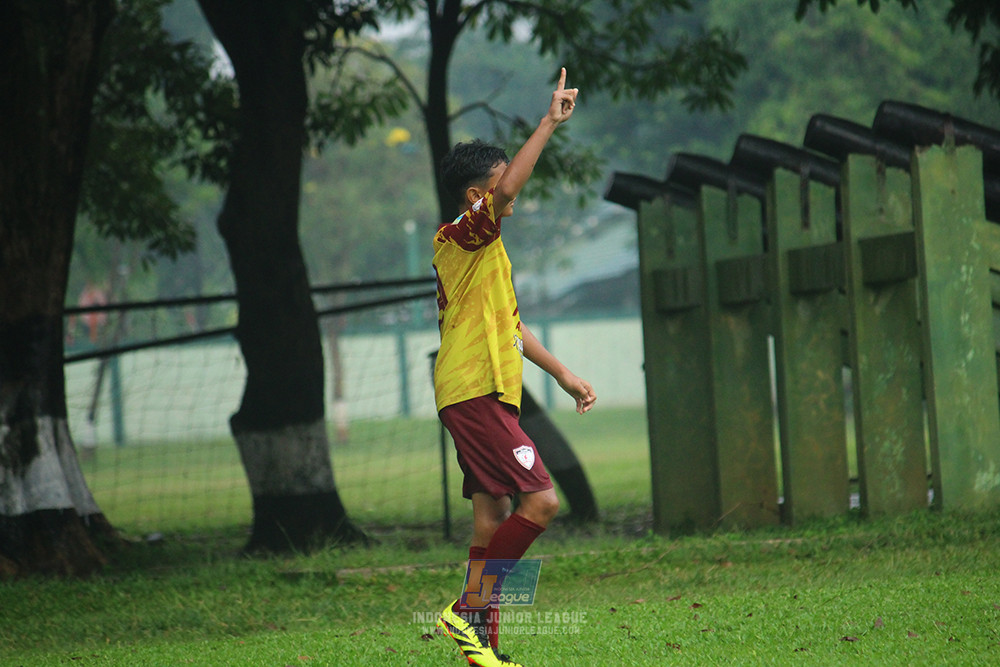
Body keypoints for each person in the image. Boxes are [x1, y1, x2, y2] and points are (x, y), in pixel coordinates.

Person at [433, 68, 597, 667]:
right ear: (474, 196)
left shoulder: (489, 251)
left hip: (485, 392)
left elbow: (513, 327)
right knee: (542, 503)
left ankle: (484, 650)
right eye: (500, 182)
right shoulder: (462, 235)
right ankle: (465, 611)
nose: (512, 191)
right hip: (473, 391)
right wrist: (549, 122)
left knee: (491, 521)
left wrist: (563, 374)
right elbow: (504, 196)